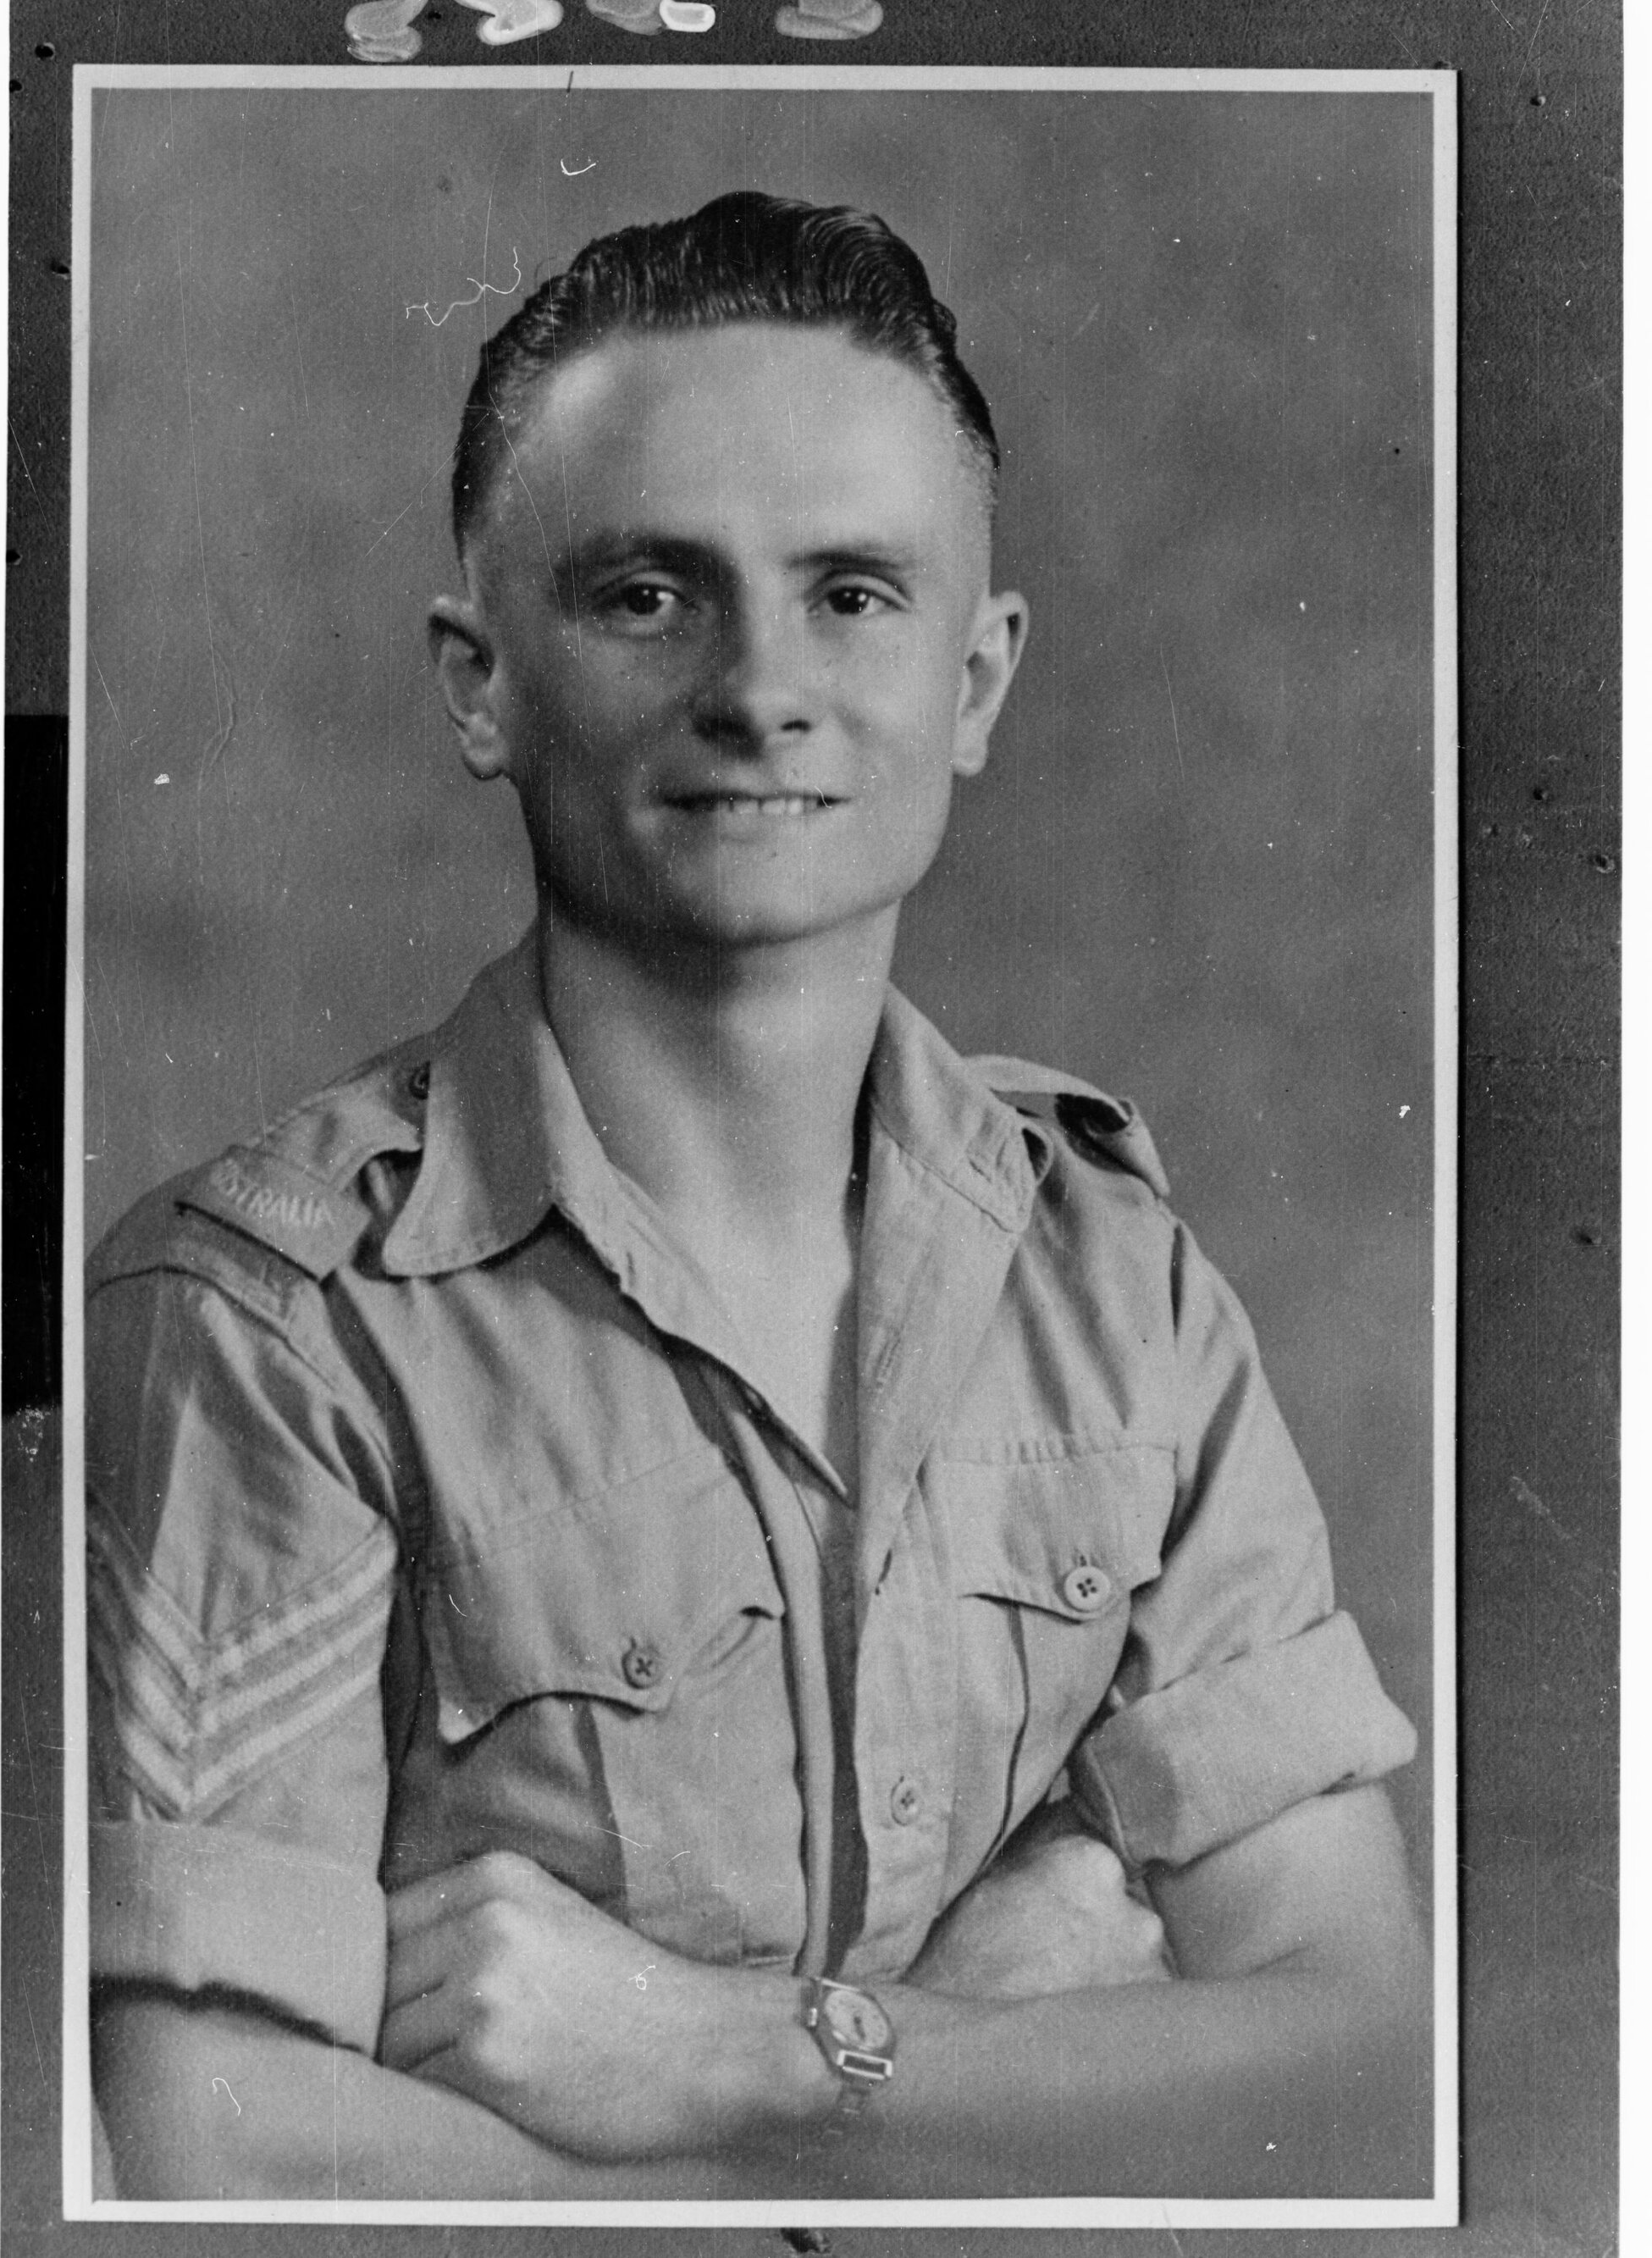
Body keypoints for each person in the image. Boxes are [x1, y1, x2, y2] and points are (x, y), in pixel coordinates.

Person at [86, 191, 1427, 2202]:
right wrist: (987, 2079)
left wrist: (744, 2056)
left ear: (977, 682)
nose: (761, 687)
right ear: (481, 685)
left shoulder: (1119, 1284)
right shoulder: (271, 1325)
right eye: (648, 593)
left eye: (854, 595)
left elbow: (1354, 2068)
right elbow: (206, 2150)